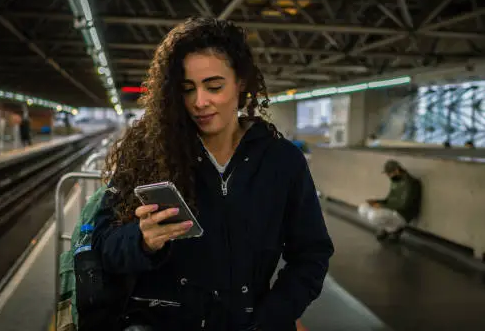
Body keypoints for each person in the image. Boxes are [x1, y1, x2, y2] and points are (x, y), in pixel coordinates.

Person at [93, 17, 334, 331]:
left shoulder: (282, 161)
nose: (200, 102)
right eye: (187, 89)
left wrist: (272, 317)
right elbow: (102, 246)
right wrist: (141, 240)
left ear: (241, 82)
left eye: (214, 86)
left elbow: (311, 254)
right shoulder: (148, 154)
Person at [358, 159, 422, 242]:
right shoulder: (396, 181)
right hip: (392, 209)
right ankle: (388, 228)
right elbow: (390, 199)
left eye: (389, 173)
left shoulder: (411, 183)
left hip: (403, 214)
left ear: (397, 170)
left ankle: (394, 229)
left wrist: (381, 206)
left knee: (373, 215)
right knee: (363, 207)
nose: (388, 176)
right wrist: (376, 202)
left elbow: (404, 205)